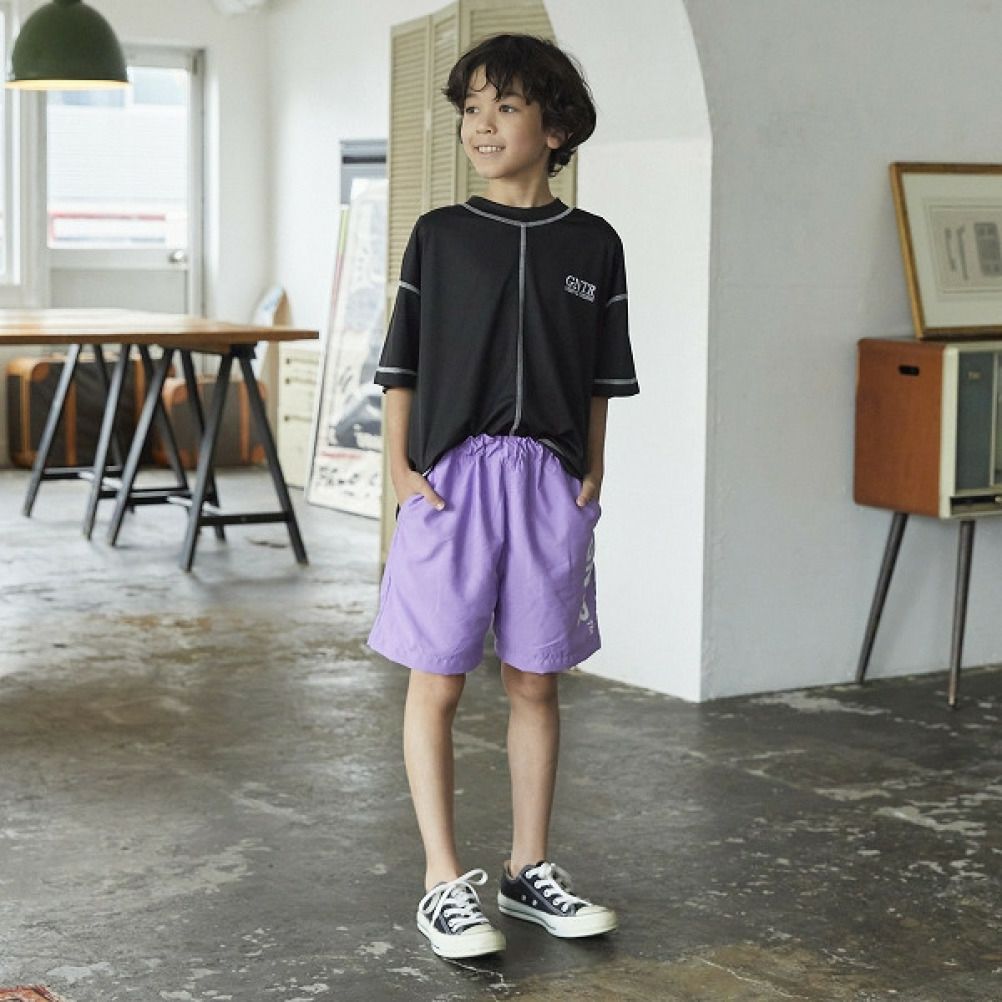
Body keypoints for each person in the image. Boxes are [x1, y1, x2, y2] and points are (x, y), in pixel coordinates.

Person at [365, 32, 639, 961]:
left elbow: (603, 377)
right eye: (471, 109)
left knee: (534, 679)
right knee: (436, 678)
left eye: (505, 107)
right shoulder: (441, 236)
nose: (482, 125)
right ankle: (442, 881)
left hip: (548, 483)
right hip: (450, 483)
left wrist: (590, 472)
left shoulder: (594, 245)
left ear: (555, 128)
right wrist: (402, 471)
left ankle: (528, 871)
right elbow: (401, 362)